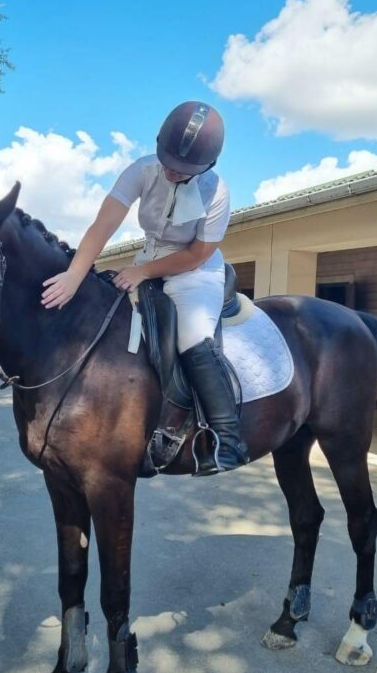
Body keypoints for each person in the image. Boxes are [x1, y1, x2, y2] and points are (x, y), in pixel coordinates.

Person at [40, 101, 248, 473]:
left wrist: (144, 271)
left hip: (194, 271)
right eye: (167, 160)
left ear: (206, 166)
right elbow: (103, 226)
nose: (171, 170)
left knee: (194, 339)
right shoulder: (142, 169)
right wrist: (74, 275)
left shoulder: (217, 192)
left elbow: (198, 253)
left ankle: (228, 439)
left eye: (182, 169)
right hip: (147, 259)